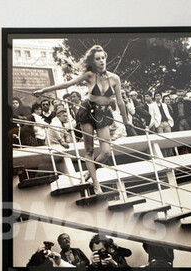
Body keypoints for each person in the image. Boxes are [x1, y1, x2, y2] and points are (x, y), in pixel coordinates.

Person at [33, 45, 133, 195]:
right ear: (93, 61)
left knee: (106, 152)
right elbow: (67, 84)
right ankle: (96, 185)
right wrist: (44, 90)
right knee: (89, 150)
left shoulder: (115, 78)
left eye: (103, 58)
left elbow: (120, 102)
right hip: (87, 112)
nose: (101, 61)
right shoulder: (89, 75)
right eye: (97, 59)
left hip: (103, 114)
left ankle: (89, 172)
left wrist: (126, 121)